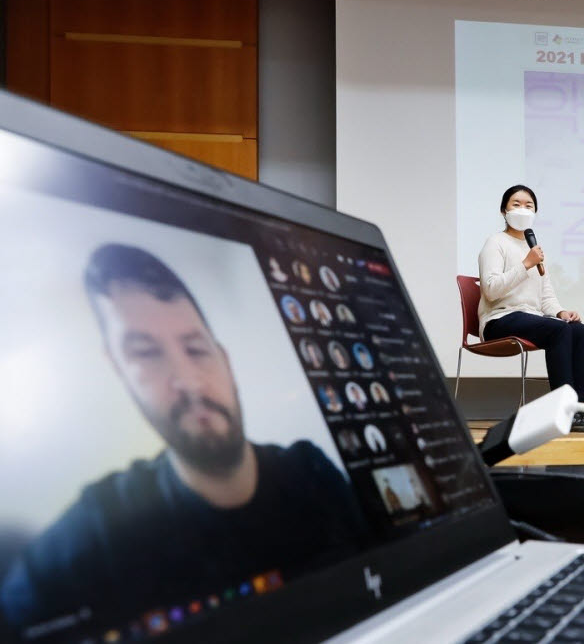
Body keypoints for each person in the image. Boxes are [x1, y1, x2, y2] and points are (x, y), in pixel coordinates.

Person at [0, 244, 367, 630]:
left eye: (196, 349)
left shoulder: (312, 474)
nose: (188, 381)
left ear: (225, 360)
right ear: (122, 375)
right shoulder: (101, 526)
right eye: (146, 353)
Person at [477, 185, 584, 432]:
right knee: (558, 331)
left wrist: (561, 313)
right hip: (499, 319)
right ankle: (564, 409)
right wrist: (526, 264)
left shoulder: (533, 248)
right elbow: (491, 289)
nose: (522, 209)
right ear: (504, 210)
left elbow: (545, 296)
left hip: (530, 318)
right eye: (516, 204)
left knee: (577, 329)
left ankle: (582, 406)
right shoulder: (495, 243)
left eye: (529, 205)